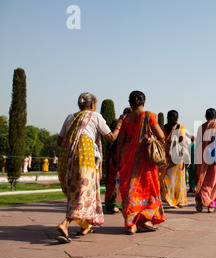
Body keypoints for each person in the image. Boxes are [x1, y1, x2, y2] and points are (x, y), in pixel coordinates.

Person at [56, 92, 124, 243]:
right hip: (86, 159)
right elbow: (111, 137)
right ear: (92, 104)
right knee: (84, 193)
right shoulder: (95, 116)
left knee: (78, 192)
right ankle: (65, 223)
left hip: (71, 160)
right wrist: (119, 124)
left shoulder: (70, 117)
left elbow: (60, 141)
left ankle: (85, 226)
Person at [116, 91, 166, 234]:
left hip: (128, 157)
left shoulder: (126, 119)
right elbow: (161, 135)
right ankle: (145, 219)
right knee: (148, 189)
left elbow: (121, 141)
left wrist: (120, 159)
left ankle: (131, 223)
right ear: (144, 102)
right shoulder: (149, 116)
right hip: (145, 158)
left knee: (130, 188)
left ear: (130, 103)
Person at [194, 108, 216, 213]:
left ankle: (200, 199)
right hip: (215, 158)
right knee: (214, 181)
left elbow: (198, 144)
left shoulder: (201, 127)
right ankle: (210, 205)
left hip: (203, 157)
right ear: (215, 116)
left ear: (206, 116)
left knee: (204, 179)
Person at [104, 107, 132, 214]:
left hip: (126, 157)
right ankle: (113, 204)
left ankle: (120, 203)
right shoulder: (118, 125)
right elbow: (112, 142)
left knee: (122, 181)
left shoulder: (132, 125)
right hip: (117, 156)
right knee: (115, 181)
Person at [160, 110, 189, 209]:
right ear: (177, 118)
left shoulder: (163, 128)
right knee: (177, 181)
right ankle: (177, 201)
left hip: (165, 157)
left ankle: (168, 198)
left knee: (167, 179)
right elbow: (183, 143)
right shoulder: (180, 127)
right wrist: (187, 157)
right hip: (177, 157)